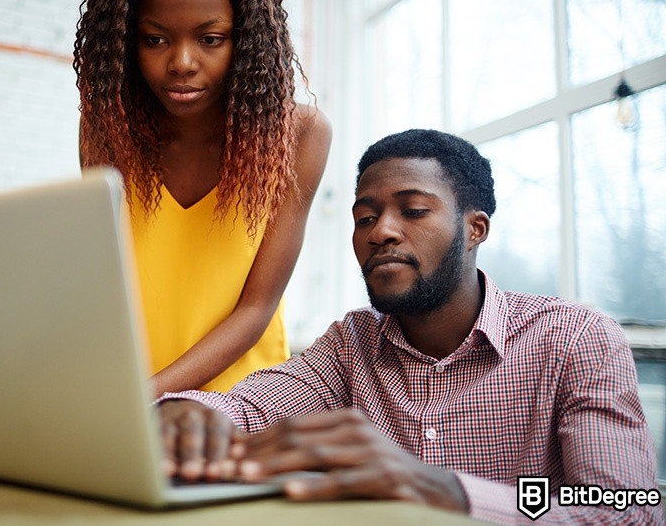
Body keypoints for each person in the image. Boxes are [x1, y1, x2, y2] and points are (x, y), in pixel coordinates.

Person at [156, 129, 661, 525]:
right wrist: (186, 411)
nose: (381, 232)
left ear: (474, 229)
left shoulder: (577, 339)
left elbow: (628, 508)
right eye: (364, 218)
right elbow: (248, 408)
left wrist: (447, 491)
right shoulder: (350, 345)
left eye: (413, 210)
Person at [72, 0, 331, 398]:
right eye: (156, 39)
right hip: (126, 397)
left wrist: (144, 395)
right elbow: (104, 285)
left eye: (210, 39)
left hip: (243, 407)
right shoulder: (108, 128)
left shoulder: (299, 135)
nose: (182, 63)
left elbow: (256, 309)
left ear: (247, 39)